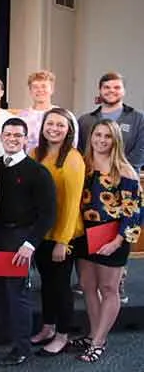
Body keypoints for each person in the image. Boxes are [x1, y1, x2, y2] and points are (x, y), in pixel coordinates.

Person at [71, 120, 141, 363]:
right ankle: (92, 334)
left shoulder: (125, 170)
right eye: (97, 135)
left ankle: (100, 341)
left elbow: (133, 212)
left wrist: (117, 241)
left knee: (109, 289)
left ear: (115, 141)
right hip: (85, 233)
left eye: (107, 136)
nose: (101, 140)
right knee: (88, 286)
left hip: (113, 234)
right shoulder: (84, 164)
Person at [0, 117, 56, 367]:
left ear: (27, 139)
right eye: (8, 134)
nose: (12, 139)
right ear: (1, 137)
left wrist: (29, 245)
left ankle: (21, 348)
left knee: (16, 293)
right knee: (0, 290)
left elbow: (47, 214)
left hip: (18, 239)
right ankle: (7, 334)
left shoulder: (38, 172)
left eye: (18, 135)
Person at [77, 72, 143, 304]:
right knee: (90, 277)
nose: (111, 91)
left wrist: (122, 170)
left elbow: (139, 150)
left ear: (123, 90)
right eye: (106, 88)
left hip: (121, 185)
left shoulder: (137, 118)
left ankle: (118, 282)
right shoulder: (86, 120)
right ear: (100, 91)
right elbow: (82, 150)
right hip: (91, 192)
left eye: (116, 88)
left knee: (111, 277)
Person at [29, 108, 85, 356]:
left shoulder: (73, 159)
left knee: (61, 287)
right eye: (50, 123)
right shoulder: (35, 154)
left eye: (60, 125)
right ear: (43, 127)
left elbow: (73, 205)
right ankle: (48, 327)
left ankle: (63, 334)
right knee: (47, 285)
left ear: (69, 130)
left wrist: (63, 241)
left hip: (64, 234)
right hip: (41, 232)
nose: (54, 128)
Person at [18, 70, 79, 153]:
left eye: (44, 86)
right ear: (30, 91)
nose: (39, 90)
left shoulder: (65, 115)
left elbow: (73, 144)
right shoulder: (21, 117)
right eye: (35, 87)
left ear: (52, 89)